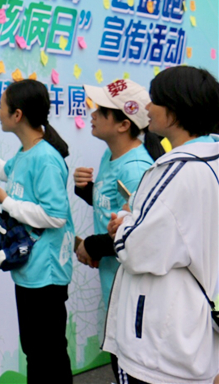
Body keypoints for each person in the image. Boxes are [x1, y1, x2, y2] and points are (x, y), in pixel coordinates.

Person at [105, 66, 219, 384]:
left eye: (155, 100)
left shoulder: (176, 171)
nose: (147, 107)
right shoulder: (210, 160)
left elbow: (135, 250)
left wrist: (124, 223)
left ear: (174, 112)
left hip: (160, 347)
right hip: (195, 336)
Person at [0, 79, 74, 384]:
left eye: (2, 106)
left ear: (17, 115)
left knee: (47, 353)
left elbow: (55, 216)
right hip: (30, 271)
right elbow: (5, 169)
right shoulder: (28, 152)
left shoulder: (46, 158)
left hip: (46, 274)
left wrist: (6, 201)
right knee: (36, 351)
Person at [73, 79, 164, 310]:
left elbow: (140, 234)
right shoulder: (110, 155)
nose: (93, 114)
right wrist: (86, 189)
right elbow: (112, 206)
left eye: (101, 110)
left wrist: (92, 246)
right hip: (113, 279)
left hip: (131, 289)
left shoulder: (135, 170)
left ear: (123, 125)